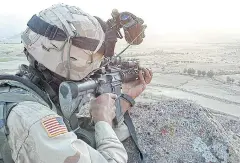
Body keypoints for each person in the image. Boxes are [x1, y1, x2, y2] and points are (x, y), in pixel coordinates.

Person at [0, 3, 152, 163]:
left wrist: (126, 97)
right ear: (71, 58)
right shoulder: (33, 121)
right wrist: (103, 120)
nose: (92, 71)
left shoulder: (21, 91)